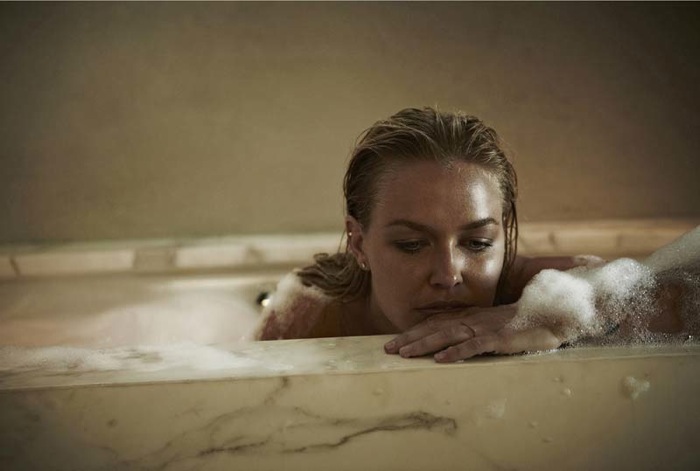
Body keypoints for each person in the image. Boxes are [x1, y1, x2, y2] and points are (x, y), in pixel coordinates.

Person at [255, 107, 698, 362]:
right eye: (412, 245)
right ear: (358, 244)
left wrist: (554, 318)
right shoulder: (309, 317)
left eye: (477, 243)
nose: (448, 275)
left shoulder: (541, 292)